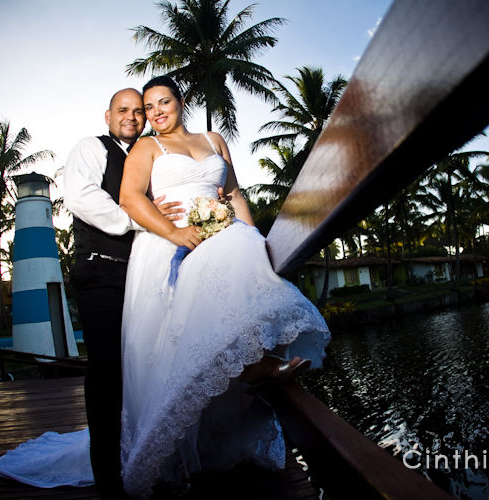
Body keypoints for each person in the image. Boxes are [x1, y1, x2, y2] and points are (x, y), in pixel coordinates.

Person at [116, 75, 330, 498]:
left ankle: (261, 361)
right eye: (149, 107)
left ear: (181, 101)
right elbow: (130, 198)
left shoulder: (214, 140)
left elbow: (233, 194)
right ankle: (256, 368)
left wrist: (259, 243)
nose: (156, 112)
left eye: (164, 102)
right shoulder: (146, 148)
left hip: (225, 230)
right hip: (177, 237)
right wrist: (175, 233)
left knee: (243, 251)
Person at [62, 87, 183, 498]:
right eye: (123, 110)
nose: (132, 117)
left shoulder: (149, 155)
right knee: (108, 369)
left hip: (143, 278)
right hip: (102, 274)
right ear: (108, 115)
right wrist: (139, 220)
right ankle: (108, 476)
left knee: (146, 369)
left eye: (139, 111)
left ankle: (146, 456)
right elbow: (81, 197)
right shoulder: (91, 148)